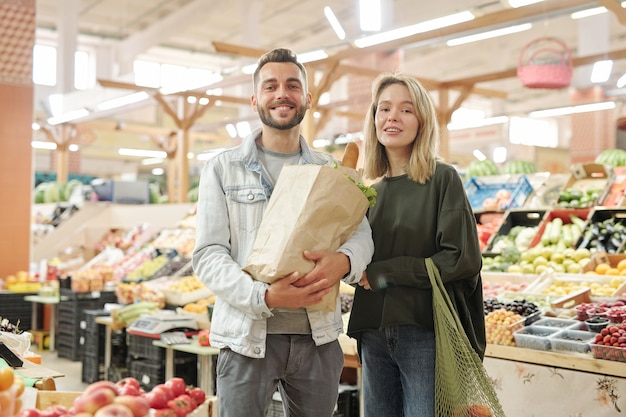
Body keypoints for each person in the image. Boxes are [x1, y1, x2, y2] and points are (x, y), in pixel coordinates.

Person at [192, 48, 374, 417]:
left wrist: (343, 261)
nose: (282, 94)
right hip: (246, 336)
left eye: (292, 85)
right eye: (271, 85)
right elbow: (209, 253)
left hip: (318, 336)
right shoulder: (223, 169)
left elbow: (361, 233)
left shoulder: (330, 169)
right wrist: (265, 296)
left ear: (307, 98)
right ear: (255, 98)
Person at [347, 73, 486, 417]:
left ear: (422, 121)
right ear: (374, 119)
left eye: (406, 110)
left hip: (424, 333)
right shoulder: (367, 193)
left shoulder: (442, 179)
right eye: (385, 108)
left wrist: (386, 273)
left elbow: (461, 259)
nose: (392, 117)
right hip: (373, 332)